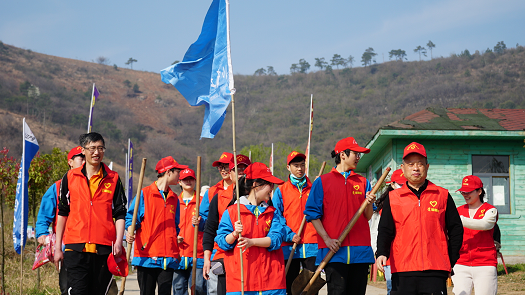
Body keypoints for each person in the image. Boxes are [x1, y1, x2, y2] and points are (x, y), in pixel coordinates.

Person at [376, 142, 464, 295]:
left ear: (427, 167)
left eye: (420, 164)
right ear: (403, 169)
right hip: (402, 269)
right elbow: (385, 229)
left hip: (435, 269)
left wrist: (450, 258)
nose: (415, 168)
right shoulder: (394, 197)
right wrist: (382, 253)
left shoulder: (442, 195)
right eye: (410, 164)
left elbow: (456, 228)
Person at [54, 132, 127, 295]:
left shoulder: (113, 178)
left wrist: (118, 242)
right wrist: (58, 247)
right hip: (75, 248)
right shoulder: (70, 177)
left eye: (100, 148)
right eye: (92, 148)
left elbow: (120, 213)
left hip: (104, 250)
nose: (97, 152)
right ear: (84, 150)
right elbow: (62, 212)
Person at [304, 137, 376, 295]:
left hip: (360, 253)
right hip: (334, 252)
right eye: (355, 154)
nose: (358, 158)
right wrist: (327, 239)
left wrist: (369, 202)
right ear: (343, 155)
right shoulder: (323, 182)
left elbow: (368, 216)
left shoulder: (363, 182)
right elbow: (312, 214)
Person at [215, 162, 286, 295]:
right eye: (269, 184)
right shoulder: (232, 212)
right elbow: (222, 242)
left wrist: (252, 242)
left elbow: (276, 239)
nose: (272, 188)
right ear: (255, 185)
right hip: (241, 283)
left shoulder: (273, 212)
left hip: (271, 284)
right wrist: (235, 234)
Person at [125, 156, 187, 295]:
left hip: (169, 257)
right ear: (168, 172)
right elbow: (131, 219)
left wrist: (174, 239)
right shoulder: (144, 194)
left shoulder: (174, 198)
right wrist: (130, 231)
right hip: (147, 256)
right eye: (178, 171)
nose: (180, 175)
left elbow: (175, 225)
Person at [36, 146, 85, 295]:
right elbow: (44, 215)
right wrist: (42, 234)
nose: (84, 161)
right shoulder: (58, 187)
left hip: (91, 246)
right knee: (67, 288)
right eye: (80, 158)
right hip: (66, 246)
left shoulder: (95, 185)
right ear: (70, 162)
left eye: (85, 157)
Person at [202, 154, 251, 295]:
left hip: (249, 256)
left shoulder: (258, 196)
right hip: (223, 255)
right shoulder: (219, 197)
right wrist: (207, 258)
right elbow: (210, 230)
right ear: (231, 173)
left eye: (244, 168)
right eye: (237, 169)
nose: (241, 171)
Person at [272, 151, 317, 295]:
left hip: (312, 245)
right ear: (288, 167)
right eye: (296, 166)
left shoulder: (315, 188)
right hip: (290, 247)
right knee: (290, 287)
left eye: (302, 165)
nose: (299, 169)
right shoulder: (281, 191)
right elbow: (276, 218)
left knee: (310, 289)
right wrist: (289, 235)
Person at [452, 175, 498, 295]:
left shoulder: (490, 210)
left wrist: (459, 220)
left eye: (468, 191)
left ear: (479, 191)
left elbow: (485, 225)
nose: (465, 195)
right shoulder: (458, 210)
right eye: (462, 192)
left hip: (485, 263)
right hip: (461, 263)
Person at [198, 152, 232, 295]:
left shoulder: (244, 191)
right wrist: (199, 222)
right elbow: (207, 223)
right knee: (214, 288)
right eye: (220, 167)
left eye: (227, 167)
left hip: (237, 248)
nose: (223, 170)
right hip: (217, 249)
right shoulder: (212, 192)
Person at [369, 169, 406, 295]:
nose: (403, 187)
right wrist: (378, 251)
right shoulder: (382, 208)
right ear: (392, 184)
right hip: (391, 257)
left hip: (410, 256)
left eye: (406, 184)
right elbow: (375, 231)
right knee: (393, 289)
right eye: (400, 184)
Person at [173, 168, 207, 295]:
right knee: (178, 289)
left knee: (198, 288)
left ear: (195, 181)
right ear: (179, 182)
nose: (188, 181)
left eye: (191, 179)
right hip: (178, 254)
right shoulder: (174, 201)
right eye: (185, 179)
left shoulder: (203, 201)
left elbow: (210, 223)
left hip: (197, 254)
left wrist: (201, 222)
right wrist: (174, 237)